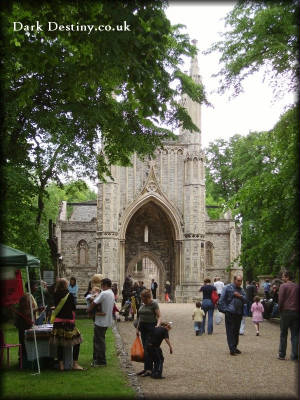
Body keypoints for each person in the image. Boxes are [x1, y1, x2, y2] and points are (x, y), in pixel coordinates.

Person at [49, 278, 84, 371]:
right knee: (77, 341)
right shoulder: (70, 295)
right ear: (65, 285)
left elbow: (56, 307)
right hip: (68, 322)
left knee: (60, 343)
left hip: (58, 322)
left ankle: (61, 365)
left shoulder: (55, 294)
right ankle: (75, 364)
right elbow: (73, 308)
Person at [88, 278, 115, 367]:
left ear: (105, 285)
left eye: (102, 285)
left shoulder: (104, 293)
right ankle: (97, 358)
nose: (101, 287)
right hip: (106, 320)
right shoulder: (111, 293)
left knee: (99, 341)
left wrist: (89, 310)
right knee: (100, 339)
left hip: (100, 320)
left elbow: (94, 303)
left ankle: (101, 361)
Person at [218, 275, 247, 355]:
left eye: (241, 281)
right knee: (230, 331)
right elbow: (221, 300)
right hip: (230, 312)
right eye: (238, 281)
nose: (240, 282)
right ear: (234, 280)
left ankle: (234, 346)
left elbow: (246, 299)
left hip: (238, 313)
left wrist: (240, 296)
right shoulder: (227, 287)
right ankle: (232, 349)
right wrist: (225, 310)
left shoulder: (241, 290)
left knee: (236, 331)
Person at [136, 289, 161, 377]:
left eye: (142, 298)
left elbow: (159, 316)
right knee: (145, 348)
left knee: (148, 348)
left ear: (146, 297)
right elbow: (140, 317)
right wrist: (137, 329)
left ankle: (149, 369)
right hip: (143, 327)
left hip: (151, 327)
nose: (141, 299)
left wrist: (157, 325)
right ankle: (146, 368)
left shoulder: (153, 304)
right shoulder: (142, 304)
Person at [277, 271, 299, 361]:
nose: (282, 279)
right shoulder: (297, 286)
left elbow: (281, 299)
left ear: (287, 277)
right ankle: (294, 356)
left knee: (283, 334)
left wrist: (279, 309)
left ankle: (282, 354)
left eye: (283, 277)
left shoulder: (283, 286)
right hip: (296, 312)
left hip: (286, 312)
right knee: (295, 335)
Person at [14, 294, 35, 368]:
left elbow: (16, 324)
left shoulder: (19, 310)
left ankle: (22, 361)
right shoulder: (26, 310)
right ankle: (26, 362)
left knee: (22, 346)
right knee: (25, 346)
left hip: (22, 331)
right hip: (26, 331)